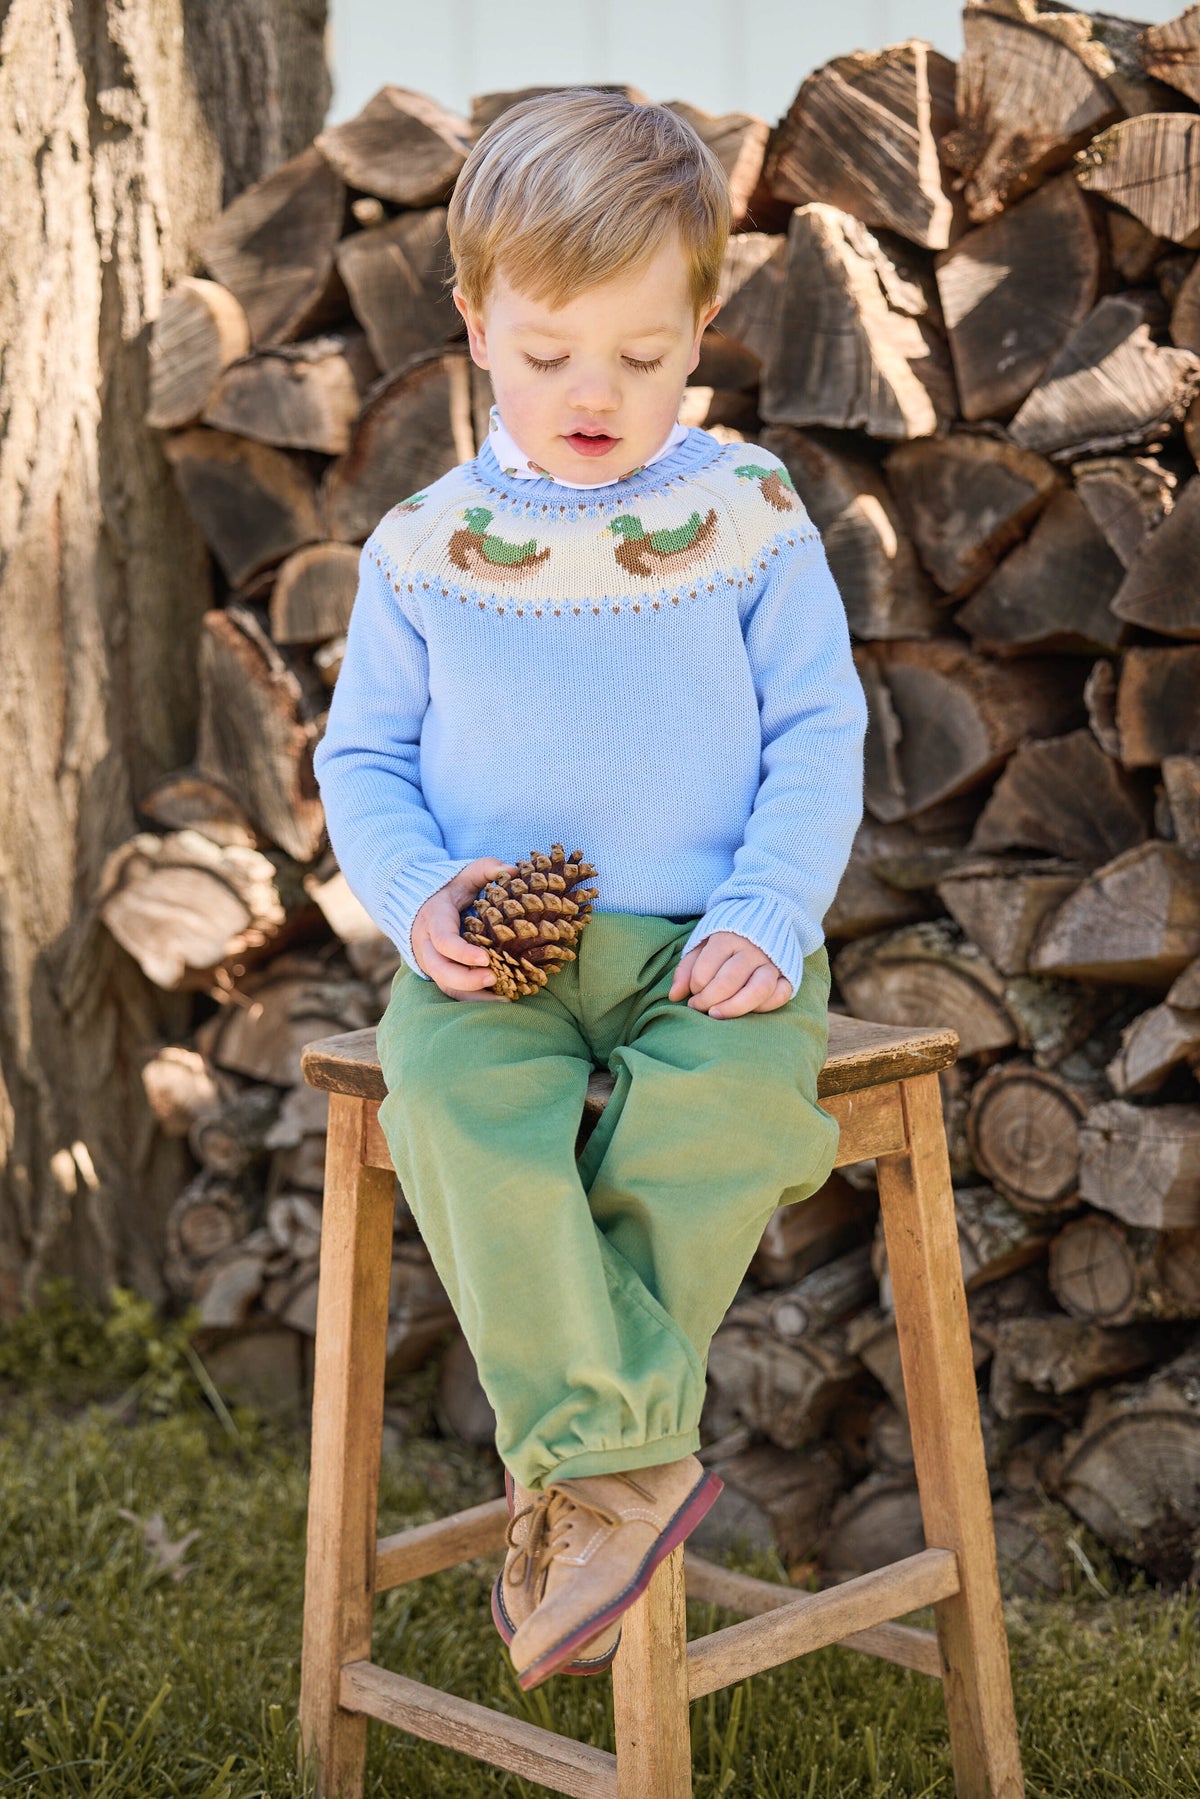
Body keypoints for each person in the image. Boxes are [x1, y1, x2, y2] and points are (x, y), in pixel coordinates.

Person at [311, 88, 870, 1693]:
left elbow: (820, 729)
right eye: (552, 354)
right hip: (499, 952)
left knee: (732, 1114)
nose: (595, 394)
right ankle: (622, 1470)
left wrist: (771, 912)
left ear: (701, 321)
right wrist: (420, 901)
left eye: (643, 356)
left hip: (710, 937)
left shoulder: (750, 514)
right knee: (455, 1108)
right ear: (478, 323)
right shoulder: (428, 547)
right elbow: (366, 763)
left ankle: (586, 1468)